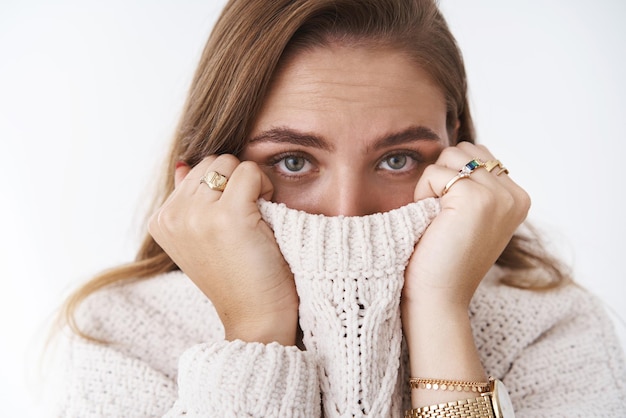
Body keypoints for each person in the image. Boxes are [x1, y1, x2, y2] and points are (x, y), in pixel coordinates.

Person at [53, 0, 626, 416]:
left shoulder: (553, 330)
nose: (348, 215)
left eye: (398, 158)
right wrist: (255, 330)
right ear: (208, 178)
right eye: (294, 162)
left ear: (459, 154)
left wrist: (439, 312)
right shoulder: (122, 339)